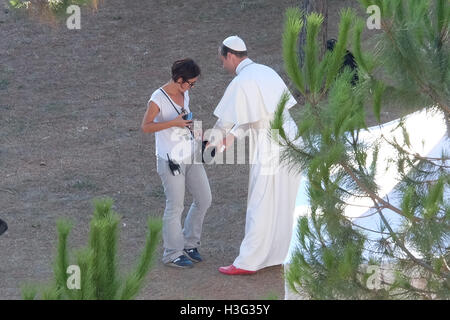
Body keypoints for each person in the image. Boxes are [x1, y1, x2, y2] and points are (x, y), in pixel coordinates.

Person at [211, 36, 302, 275]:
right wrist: (230, 138)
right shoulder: (266, 71)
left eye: (223, 61)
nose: (224, 67)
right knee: (286, 199)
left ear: (230, 56)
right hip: (292, 139)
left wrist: (211, 140)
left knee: (260, 200)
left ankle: (248, 261)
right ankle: (283, 253)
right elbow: (254, 115)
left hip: (272, 144)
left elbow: (228, 120)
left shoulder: (243, 80)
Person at [141, 58, 212, 268]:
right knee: (175, 206)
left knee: (204, 199)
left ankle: (190, 243)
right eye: (190, 83)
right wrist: (174, 122)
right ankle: (172, 253)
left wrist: (199, 136)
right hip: (170, 160)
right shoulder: (157, 99)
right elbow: (145, 127)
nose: (192, 87)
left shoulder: (184, 92)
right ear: (179, 79)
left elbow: (186, 118)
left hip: (190, 154)